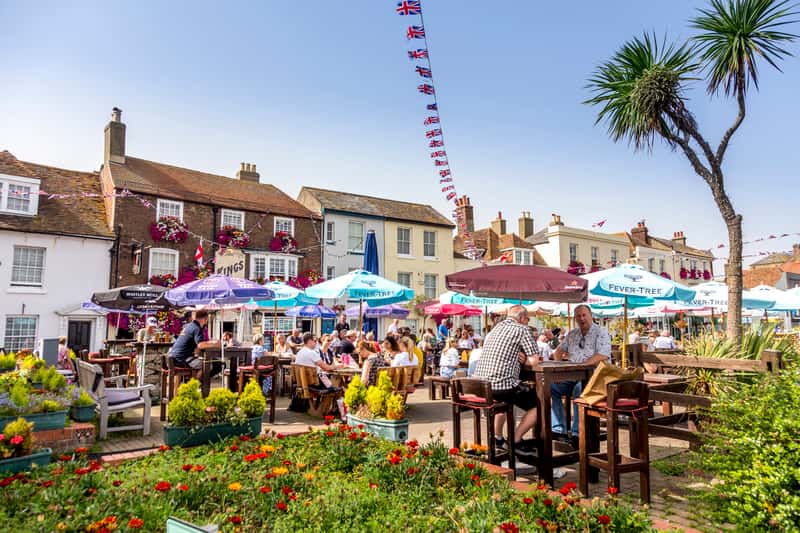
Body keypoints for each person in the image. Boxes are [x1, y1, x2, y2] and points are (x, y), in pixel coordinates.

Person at [473, 305, 539, 455]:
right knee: (539, 405)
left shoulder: (495, 329)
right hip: (501, 385)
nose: (528, 322)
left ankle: (498, 438)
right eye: (528, 319)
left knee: (504, 400)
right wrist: (524, 361)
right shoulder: (521, 329)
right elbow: (535, 361)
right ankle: (515, 440)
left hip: (481, 385)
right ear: (522, 318)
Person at [551, 305, 612, 443]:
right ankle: (558, 429)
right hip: (573, 375)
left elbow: (602, 355)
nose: (581, 318)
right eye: (578, 316)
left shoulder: (601, 332)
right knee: (551, 387)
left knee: (580, 389)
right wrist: (559, 369)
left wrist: (583, 366)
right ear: (575, 318)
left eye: (584, 315)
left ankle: (578, 434)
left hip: (596, 376)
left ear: (591, 315)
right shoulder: (572, 334)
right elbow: (558, 352)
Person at [169, 310, 220, 375]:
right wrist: (215, 344)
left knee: (208, 363)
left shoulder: (188, 326)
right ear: (205, 319)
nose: (206, 323)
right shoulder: (197, 328)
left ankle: (194, 382)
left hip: (175, 357)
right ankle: (195, 384)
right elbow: (200, 345)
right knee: (209, 365)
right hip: (182, 359)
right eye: (207, 320)